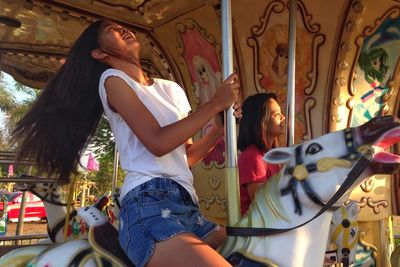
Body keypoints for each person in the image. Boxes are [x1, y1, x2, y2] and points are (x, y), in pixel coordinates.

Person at [12, 20, 241, 267]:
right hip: (148, 206)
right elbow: (157, 142)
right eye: (111, 30)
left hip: (186, 204)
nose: (123, 30)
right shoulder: (113, 80)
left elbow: (186, 157)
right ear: (100, 53)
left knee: (253, 252)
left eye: (123, 27)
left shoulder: (171, 89)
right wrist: (214, 104)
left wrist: (216, 131)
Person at [237, 93, 285, 215]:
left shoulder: (271, 155)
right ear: (262, 121)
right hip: (256, 228)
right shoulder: (253, 157)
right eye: (276, 114)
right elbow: (262, 204)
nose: (283, 117)